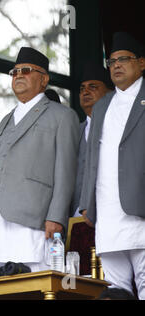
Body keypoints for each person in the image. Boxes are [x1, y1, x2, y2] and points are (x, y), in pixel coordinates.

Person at [0, 47, 79, 272]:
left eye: (26, 71)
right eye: (14, 72)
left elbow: (66, 172)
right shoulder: (6, 118)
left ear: (43, 79)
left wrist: (57, 216)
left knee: (33, 277)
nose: (18, 76)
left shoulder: (62, 116)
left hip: (35, 216)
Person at [79, 31, 145, 299]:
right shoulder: (103, 104)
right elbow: (92, 157)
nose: (116, 65)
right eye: (112, 61)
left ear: (141, 63)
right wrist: (87, 202)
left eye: (124, 59)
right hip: (107, 212)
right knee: (115, 288)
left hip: (140, 207)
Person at [71, 62, 113, 218]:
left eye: (93, 87)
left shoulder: (118, 127)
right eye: (82, 89)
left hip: (111, 212)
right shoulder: (74, 132)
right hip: (76, 215)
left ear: (110, 93)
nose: (85, 92)